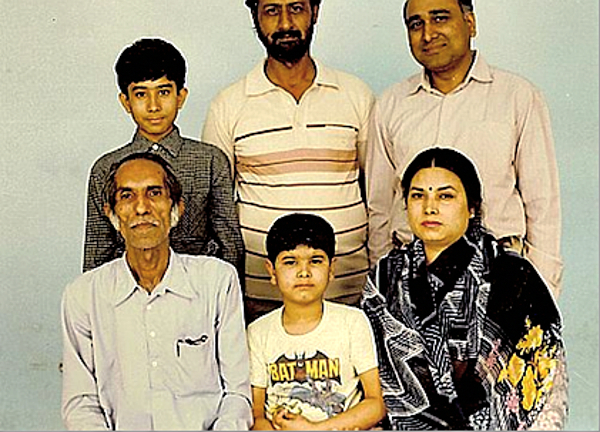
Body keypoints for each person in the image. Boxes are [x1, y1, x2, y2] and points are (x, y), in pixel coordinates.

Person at [202, 0, 374, 322]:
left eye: (296, 9)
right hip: (259, 306)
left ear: (315, 10)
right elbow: (215, 212)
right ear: (255, 18)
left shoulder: (355, 95)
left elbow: (378, 195)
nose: (285, 23)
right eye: (271, 11)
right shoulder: (228, 105)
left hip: (350, 302)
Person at [367, 0, 563, 298]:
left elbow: (543, 205)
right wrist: (386, 288)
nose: (428, 34)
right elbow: (378, 208)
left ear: (469, 23)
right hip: (412, 284)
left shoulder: (517, 97)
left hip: (500, 281)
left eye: (440, 18)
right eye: (416, 24)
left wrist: (539, 292)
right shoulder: (390, 105)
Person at [362, 147, 567, 430]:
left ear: (471, 207)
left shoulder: (512, 275)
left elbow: (545, 377)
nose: (429, 207)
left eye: (445, 196)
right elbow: (369, 375)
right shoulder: (385, 278)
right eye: (418, 195)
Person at [62, 152, 252, 430]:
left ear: (177, 207)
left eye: (154, 193)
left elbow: (237, 395)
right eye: (127, 196)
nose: (142, 208)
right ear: (111, 213)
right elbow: (80, 403)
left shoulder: (217, 281)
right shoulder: (83, 295)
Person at [83, 38, 244, 287]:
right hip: (128, 295)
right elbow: (97, 255)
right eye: (140, 95)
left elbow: (229, 247)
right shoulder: (106, 169)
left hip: (198, 293)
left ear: (181, 96)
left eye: (164, 92)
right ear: (125, 101)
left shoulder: (210, 161)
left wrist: (228, 302)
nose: (154, 106)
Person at [247, 213, 386, 430]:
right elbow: (256, 415)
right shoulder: (258, 332)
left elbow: (375, 404)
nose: (304, 272)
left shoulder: (352, 322)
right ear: (271, 271)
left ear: (331, 269)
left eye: (316, 261)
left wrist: (314, 429)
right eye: (290, 262)